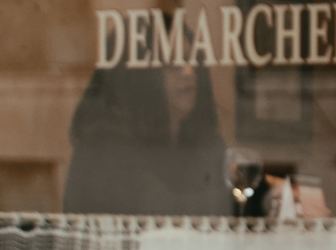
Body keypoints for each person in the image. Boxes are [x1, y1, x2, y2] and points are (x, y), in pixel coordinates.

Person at [63, 57, 228, 215]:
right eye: (170, 64)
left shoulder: (201, 143)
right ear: (134, 77)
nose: (188, 72)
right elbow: (163, 213)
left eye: (192, 61)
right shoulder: (103, 146)